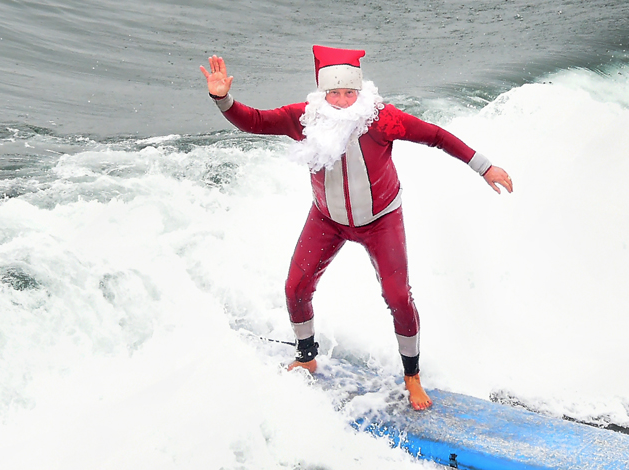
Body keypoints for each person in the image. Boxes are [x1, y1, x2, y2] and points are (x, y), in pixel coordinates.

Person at [201, 46, 513, 410]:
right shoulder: (303, 118)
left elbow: (437, 136)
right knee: (295, 287)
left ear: (360, 92)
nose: (344, 100)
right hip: (327, 220)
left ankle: (412, 376)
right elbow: (253, 121)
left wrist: (484, 166)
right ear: (323, 93)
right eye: (335, 93)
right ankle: (306, 357)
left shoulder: (381, 119)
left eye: (350, 92)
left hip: (381, 221)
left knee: (398, 297)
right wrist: (222, 99)